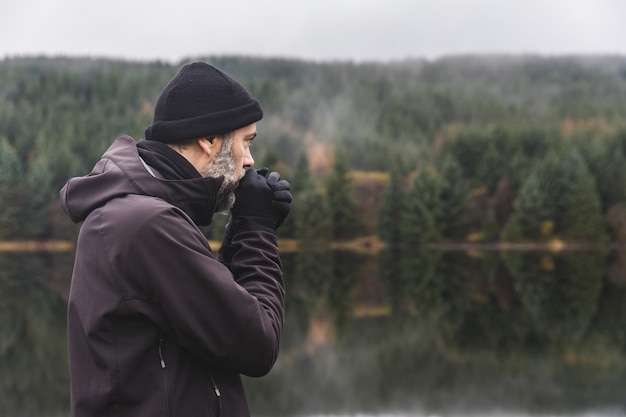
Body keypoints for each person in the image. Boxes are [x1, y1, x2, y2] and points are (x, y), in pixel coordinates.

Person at [59, 61, 292, 417]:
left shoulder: (141, 216)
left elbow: (213, 321)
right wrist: (257, 228)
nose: (249, 160)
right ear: (210, 140)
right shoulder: (147, 226)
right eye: (246, 142)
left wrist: (243, 224)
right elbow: (256, 342)